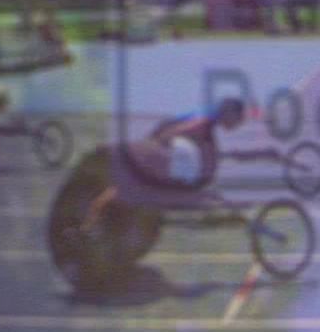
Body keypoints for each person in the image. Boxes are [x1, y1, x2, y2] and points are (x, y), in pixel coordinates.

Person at [80, 98, 249, 233]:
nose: (239, 123)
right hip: (158, 160)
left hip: (156, 157)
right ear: (229, 113)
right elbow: (172, 134)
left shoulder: (206, 121)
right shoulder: (203, 121)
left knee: (121, 191)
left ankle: (89, 224)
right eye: (239, 118)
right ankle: (89, 224)